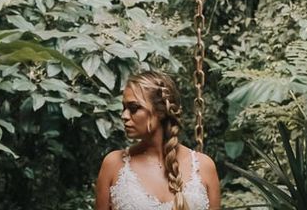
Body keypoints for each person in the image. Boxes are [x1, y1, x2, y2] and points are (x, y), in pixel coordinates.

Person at [95, 70, 221, 210]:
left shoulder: (204, 166)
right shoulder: (113, 164)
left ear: (160, 111)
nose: (124, 115)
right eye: (124, 108)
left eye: (133, 108)